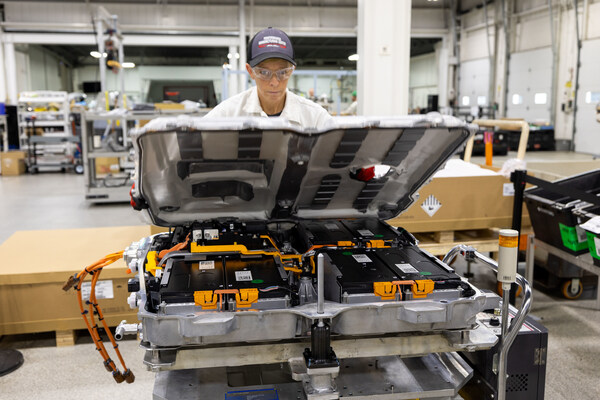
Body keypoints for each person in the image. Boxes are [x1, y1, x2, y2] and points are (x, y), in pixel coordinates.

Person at [205, 27, 332, 129]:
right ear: (250, 71)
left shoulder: (315, 118)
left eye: (282, 72)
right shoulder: (227, 115)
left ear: (292, 70)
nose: (274, 82)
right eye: (264, 73)